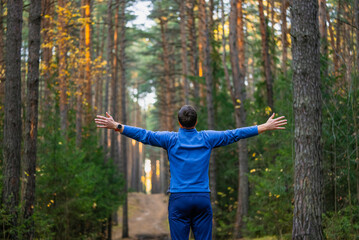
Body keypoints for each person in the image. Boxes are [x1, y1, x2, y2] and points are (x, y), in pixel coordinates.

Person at [94, 105, 287, 240]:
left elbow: (145, 135)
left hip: (179, 200)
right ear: (196, 122)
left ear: (179, 123)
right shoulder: (207, 138)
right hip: (202, 198)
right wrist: (264, 127)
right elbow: (234, 134)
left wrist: (118, 126)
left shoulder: (170, 139)